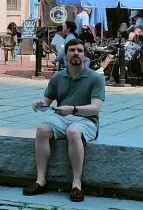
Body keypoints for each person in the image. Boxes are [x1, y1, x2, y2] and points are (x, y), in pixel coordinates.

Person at [25, 39, 106, 203]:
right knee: (42, 129)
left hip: (87, 120)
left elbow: (95, 109)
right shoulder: (58, 77)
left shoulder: (95, 78)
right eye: (72, 50)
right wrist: (40, 103)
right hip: (62, 118)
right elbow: (47, 100)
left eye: (80, 50)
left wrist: (73, 109)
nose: (76, 53)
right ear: (65, 55)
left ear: (85, 56)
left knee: (73, 132)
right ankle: (41, 181)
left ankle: (76, 184)